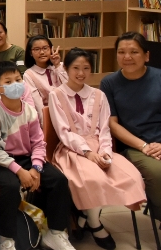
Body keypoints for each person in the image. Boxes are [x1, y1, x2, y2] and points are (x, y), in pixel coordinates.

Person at [48, 48, 145, 250]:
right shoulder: (56, 95)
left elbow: (105, 130)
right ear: (66, 69)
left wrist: (105, 152)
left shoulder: (98, 95)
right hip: (73, 149)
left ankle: (85, 214)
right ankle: (95, 223)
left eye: (86, 68)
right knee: (94, 178)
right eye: (75, 68)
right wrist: (87, 152)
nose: (81, 73)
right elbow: (64, 132)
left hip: (99, 147)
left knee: (131, 176)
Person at [0, 61, 74, 250]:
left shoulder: (29, 110)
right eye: (8, 82)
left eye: (18, 79)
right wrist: (20, 171)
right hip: (1, 161)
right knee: (10, 186)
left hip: (26, 157)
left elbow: (39, 143)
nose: (15, 85)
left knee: (59, 180)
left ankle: (55, 232)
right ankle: (5, 238)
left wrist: (36, 168)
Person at [100, 32, 161, 219]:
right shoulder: (109, 83)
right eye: (121, 52)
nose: (127, 57)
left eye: (134, 52)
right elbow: (112, 124)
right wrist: (144, 146)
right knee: (158, 172)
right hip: (135, 146)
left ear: (146, 56)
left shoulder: (159, 77)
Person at [24, 35, 67, 106]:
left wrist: (57, 66)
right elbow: (37, 103)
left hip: (69, 108)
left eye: (45, 48)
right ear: (30, 53)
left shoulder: (61, 66)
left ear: (51, 49)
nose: (42, 52)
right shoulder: (29, 74)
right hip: (48, 110)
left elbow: (71, 88)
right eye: (37, 49)